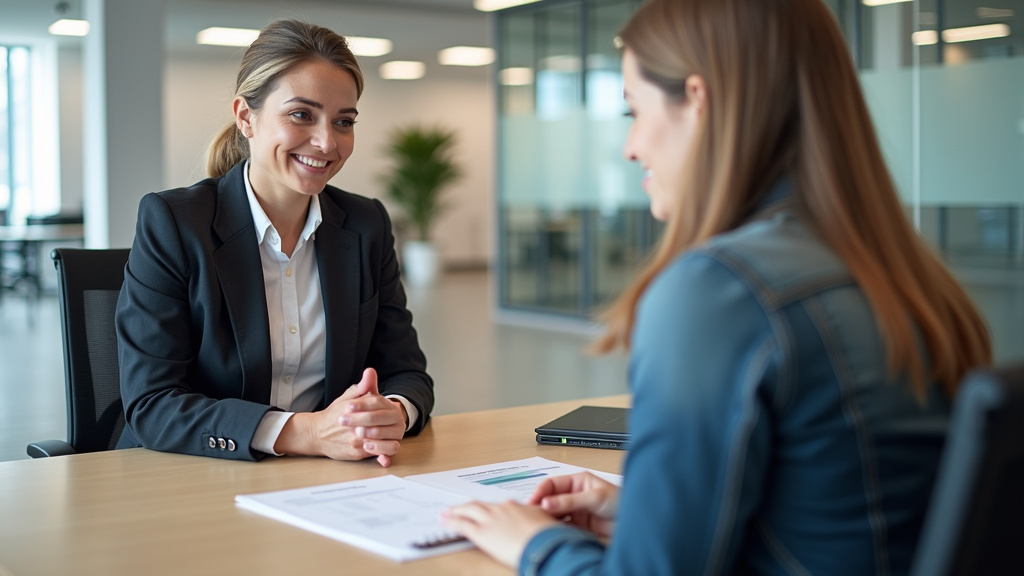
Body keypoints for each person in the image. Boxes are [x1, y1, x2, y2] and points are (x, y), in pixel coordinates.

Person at [443, 0, 992, 573]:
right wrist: (645, 516)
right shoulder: (902, 272)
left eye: (634, 110)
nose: (630, 147)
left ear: (697, 102)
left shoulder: (720, 292)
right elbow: (836, 508)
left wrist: (537, 544)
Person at [115, 20, 433, 466]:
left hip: (325, 476)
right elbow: (152, 404)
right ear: (246, 117)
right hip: (196, 473)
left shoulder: (366, 225)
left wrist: (393, 412)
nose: (326, 142)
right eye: (301, 114)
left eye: (343, 121)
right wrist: (305, 432)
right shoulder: (175, 223)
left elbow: (406, 371)